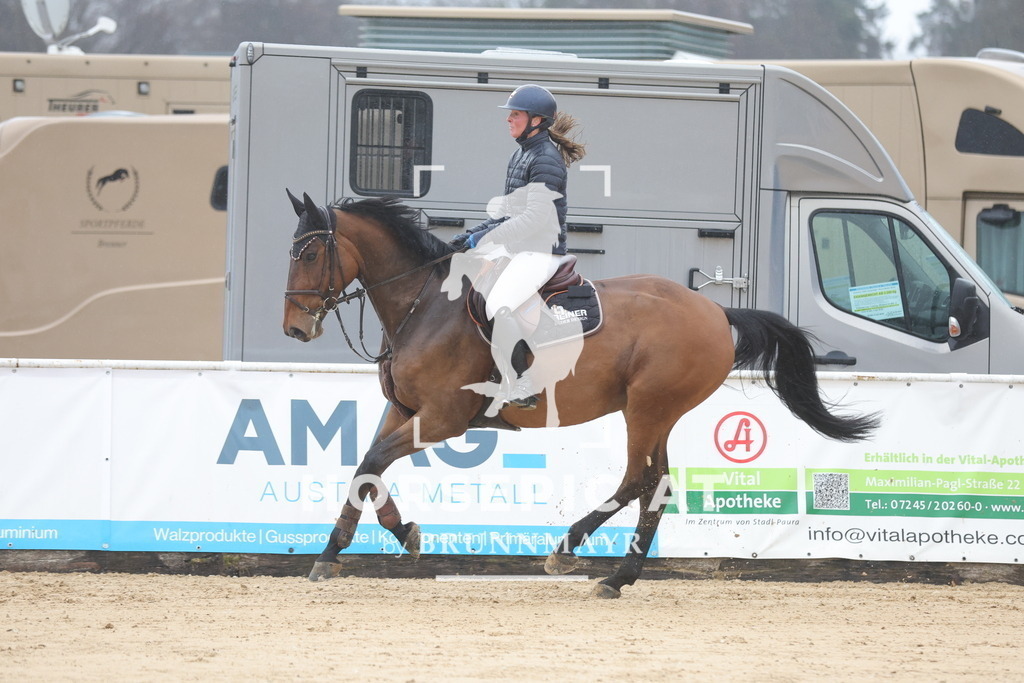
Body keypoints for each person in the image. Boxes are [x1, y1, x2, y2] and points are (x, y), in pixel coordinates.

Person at [448, 84, 586, 409]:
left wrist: (483, 240)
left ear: (537, 120)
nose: (509, 119)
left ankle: (521, 385)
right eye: (510, 114)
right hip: (519, 248)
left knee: (498, 304)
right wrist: (471, 236)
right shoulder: (521, 154)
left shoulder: (546, 159)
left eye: (516, 114)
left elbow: (535, 219)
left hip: (540, 251)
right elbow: (509, 213)